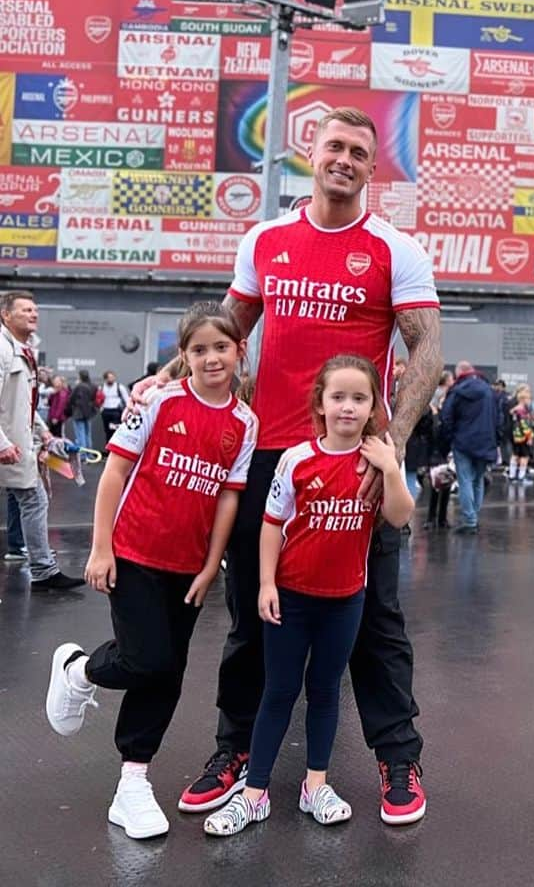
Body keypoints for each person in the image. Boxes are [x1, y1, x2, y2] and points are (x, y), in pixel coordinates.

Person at [134, 107, 441, 825]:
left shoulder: (395, 249)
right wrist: (168, 375)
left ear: (372, 167)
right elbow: (230, 329)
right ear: (312, 152)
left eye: (359, 152)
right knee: (252, 615)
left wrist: (387, 446)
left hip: (354, 457)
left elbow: (426, 348)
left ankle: (398, 757)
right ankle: (236, 749)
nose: (345, 160)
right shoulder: (266, 239)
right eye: (334, 146)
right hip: (270, 455)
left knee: (375, 620)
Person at [44, 302, 257, 840]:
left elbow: (228, 500)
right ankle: (78, 671)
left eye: (221, 347)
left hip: (189, 568)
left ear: (239, 350)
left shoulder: (244, 422)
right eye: (199, 349)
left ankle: (132, 783)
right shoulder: (159, 401)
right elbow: (114, 473)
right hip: (134, 552)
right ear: (183, 356)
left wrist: (212, 567)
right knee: (146, 659)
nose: (211, 358)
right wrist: (101, 548)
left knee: (168, 673)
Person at [204, 355, 414, 836]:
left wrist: (391, 468)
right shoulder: (296, 459)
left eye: (359, 398)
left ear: (372, 406)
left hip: (345, 601)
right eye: (337, 397)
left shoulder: (375, 461)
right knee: (278, 691)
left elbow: (400, 517)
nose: (348, 407)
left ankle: (315, 785)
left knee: (324, 691)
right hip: (292, 600)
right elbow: (272, 525)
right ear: (320, 403)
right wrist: (265, 584)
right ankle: (254, 792)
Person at [0, 291, 84, 591]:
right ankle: (43, 570)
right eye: (25, 310)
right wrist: (3, 444)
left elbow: (25, 403)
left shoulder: (25, 350)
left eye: (35, 310)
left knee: (34, 498)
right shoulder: (2, 348)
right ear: (5, 315)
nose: (33, 314)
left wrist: (44, 432)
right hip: (9, 446)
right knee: (33, 499)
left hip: (19, 444)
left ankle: (43, 570)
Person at [439, 361, 500, 533]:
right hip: (486, 442)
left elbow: (447, 417)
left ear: (459, 374)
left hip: (463, 442)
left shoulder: (457, 391)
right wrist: (496, 441)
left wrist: (448, 440)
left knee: (464, 479)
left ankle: (469, 520)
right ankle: (474, 516)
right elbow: (498, 418)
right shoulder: (489, 391)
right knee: (478, 480)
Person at [508, 384, 534, 485]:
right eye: (529, 397)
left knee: (515, 455)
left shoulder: (515, 409)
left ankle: (512, 475)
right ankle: (521, 477)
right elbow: (525, 425)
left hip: (516, 436)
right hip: (524, 437)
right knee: (524, 456)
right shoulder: (523, 411)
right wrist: (530, 436)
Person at [68, 369, 99, 451]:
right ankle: (90, 454)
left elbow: (71, 398)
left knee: (80, 434)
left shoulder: (79, 386)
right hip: (89, 412)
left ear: (80, 376)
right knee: (88, 434)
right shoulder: (93, 386)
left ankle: (83, 455)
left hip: (79, 413)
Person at [99, 371, 130, 443]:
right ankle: (108, 449)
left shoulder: (119, 387)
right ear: (105, 379)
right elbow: (99, 399)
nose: (111, 379)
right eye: (109, 378)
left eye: (112, 377)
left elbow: (127, 399)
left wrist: (127, 411)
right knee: (107, 431)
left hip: (115, 412)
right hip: (106, 411)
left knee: (115, 430)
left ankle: (115, 446)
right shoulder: (102, 387)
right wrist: (101, 408)